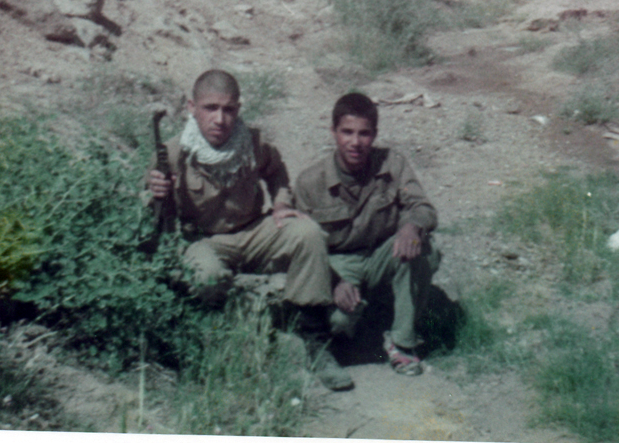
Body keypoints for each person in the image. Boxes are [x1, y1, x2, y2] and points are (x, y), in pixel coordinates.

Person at [147, 69, 352, 390]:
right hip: (204, 240)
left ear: (238, 109)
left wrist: (281, 204)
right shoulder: (174, 152)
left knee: (307, 233)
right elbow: (151, 210)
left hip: (253, 231)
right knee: (207, 275)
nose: (220, 119)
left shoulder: (252, 143)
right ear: (191, 107)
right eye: (210, 108)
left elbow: (277, 172)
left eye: (228, 109)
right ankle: (225, 331)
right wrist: (155, 192)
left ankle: (314, 340)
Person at [294, 92, 441, 376]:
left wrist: (412, 226)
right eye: (347, 132)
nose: (355, 142)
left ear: (374, 134)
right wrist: (334, 282)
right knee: (338, 324)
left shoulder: (392, 165)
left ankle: (401, 341)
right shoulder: (310, 182)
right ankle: (368, 318)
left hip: (381, 255)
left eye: (364, 133)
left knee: (424, 248)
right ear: (333, 132)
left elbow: (422, 207)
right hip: (337, 264)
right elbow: (301, 249)